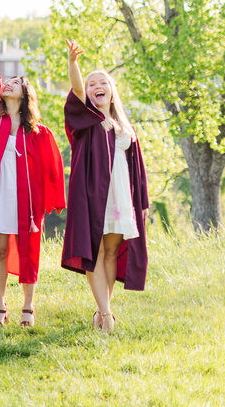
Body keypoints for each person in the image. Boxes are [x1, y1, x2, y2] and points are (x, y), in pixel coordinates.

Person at [0, 18, 65, 329]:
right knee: (1, 249)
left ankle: (28, 307)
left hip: (27, 201)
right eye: (6, 82)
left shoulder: (38, 133)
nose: (7, 84)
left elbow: (52, 169)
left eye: (15, 82)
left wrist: (51, 200)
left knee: (28, 250)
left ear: (25, 94)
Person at [62, 39, 149, 332]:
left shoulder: (124, 125)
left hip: (122, 196)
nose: (96, 86)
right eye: (91, 84)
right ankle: (107, 316)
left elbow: (138, 168)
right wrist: (74, 62)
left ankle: (103, 310)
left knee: (112, 252)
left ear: (112, 91)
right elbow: (75, 89)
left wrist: (143, 204)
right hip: (93, 196)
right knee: (96, 253)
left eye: (102, 83)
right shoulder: (87, 119)